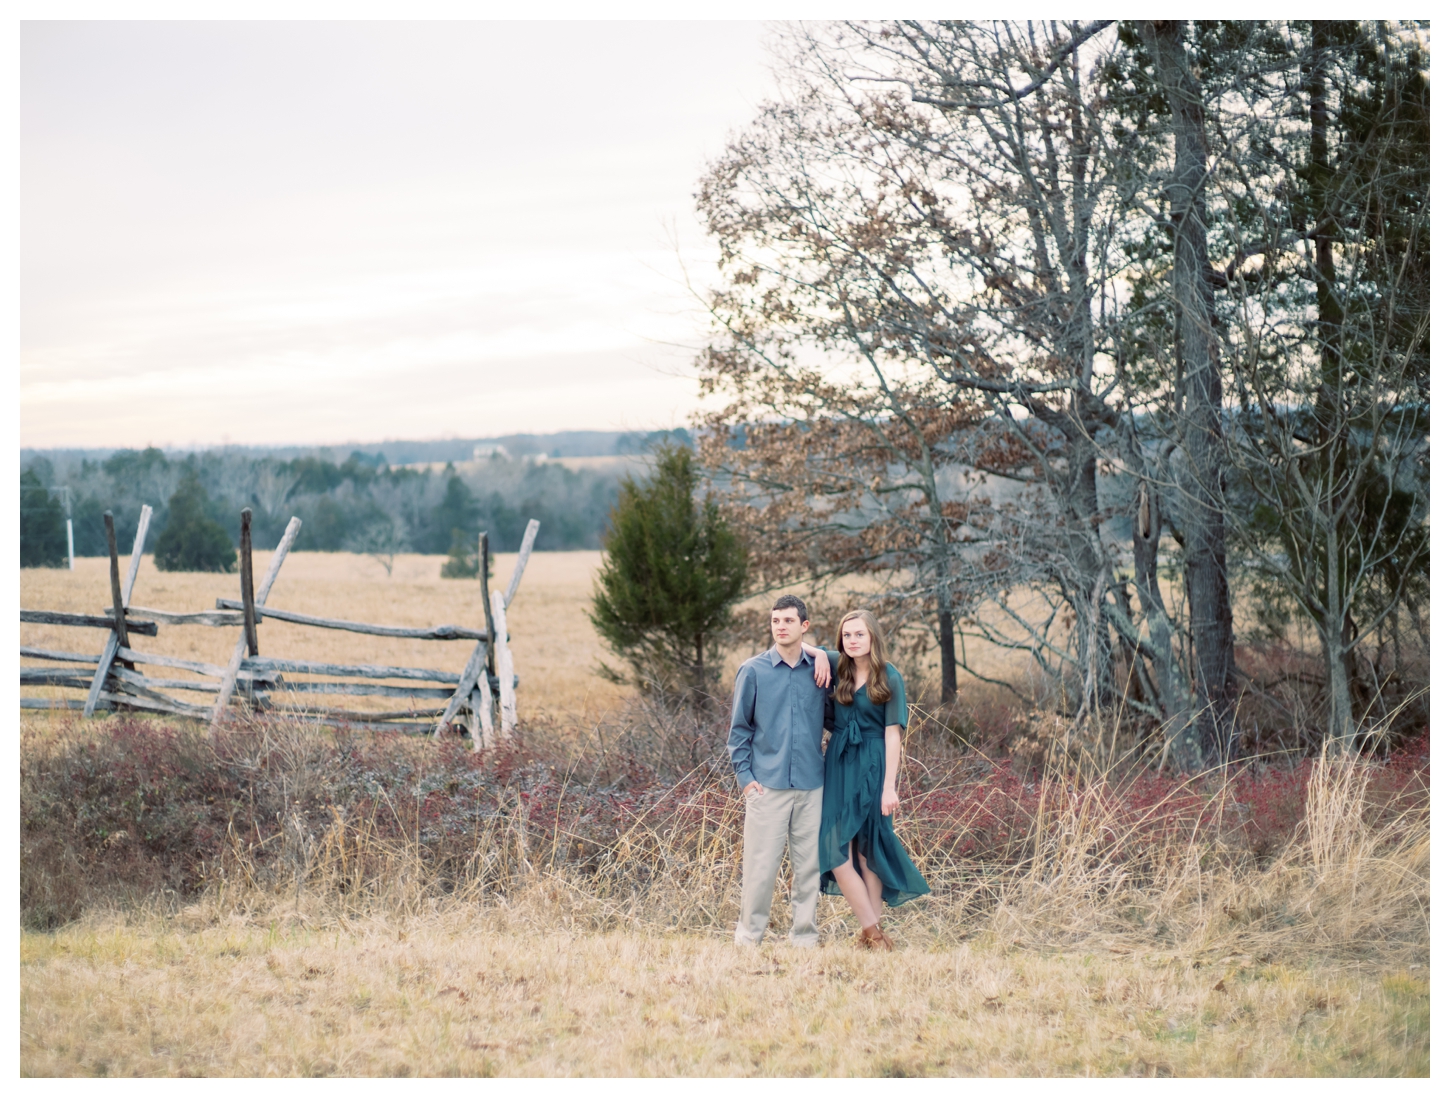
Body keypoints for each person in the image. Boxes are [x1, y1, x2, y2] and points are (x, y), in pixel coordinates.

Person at [805, 610, 929, 951]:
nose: (853, 641)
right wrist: (818, 657)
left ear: (872, 637)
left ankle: (871, 936)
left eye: (859, 634)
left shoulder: (890, 676)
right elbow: (801, 645)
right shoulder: (838, 666)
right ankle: (874, 933)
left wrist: (889, 787)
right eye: (846, 636)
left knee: (867, 848)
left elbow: (893, 736)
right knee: (833, 848)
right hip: (840, 762)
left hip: (873, 762)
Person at [727, 594, 834, 948]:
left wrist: (819, 654)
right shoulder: (753, 671)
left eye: (788, 621)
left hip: (811, 784)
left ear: (804, 625)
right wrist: (746, 781)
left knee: (807, 868)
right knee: (760, 869)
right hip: (766, 786)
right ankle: (748, 938)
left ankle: (804, 939)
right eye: (775, 621)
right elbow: (739, 732)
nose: (780, 627)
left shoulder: (820, 670)